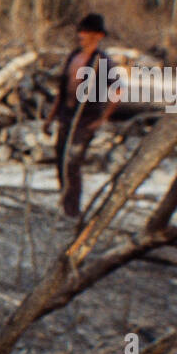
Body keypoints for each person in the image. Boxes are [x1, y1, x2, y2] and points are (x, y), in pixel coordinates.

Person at [44, 13, 121, 218]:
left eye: (86, 32)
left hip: (86, 119)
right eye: (80, 31)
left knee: (73, 162)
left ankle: (72, 211)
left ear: (98, 36)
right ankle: (65, 203)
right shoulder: (73, 56)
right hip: (66, 115)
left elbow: (118, 90)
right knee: (61, 160)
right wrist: (51, 117)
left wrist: (102, 119)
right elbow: (63, 89)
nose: (81, 35)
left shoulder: (102, 61)